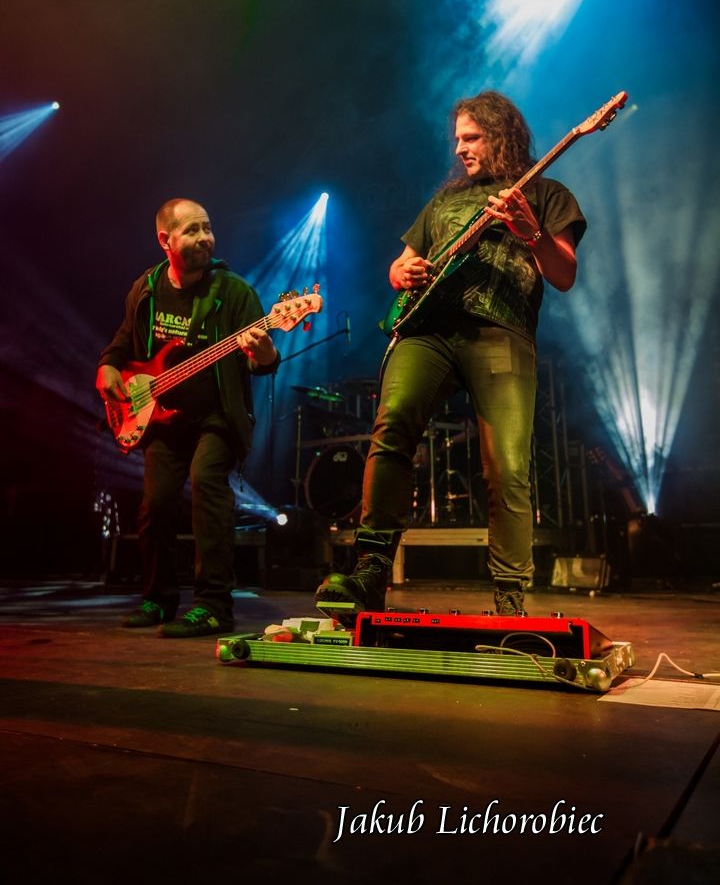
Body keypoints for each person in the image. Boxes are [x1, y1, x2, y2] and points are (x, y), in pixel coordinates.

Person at [316, 90, 586, 621]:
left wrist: (530, 231)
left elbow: (564, 275)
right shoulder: (444, 201)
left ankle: (509, 597)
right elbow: (400, 265)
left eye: (472, 137)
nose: (460, 148)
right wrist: (401, 272)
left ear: (501, 135)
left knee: (506, 463)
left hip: (501, 332)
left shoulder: (546, 192)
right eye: (457, 139)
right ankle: (370, 572)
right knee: (392, 426)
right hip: (428, 331)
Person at [96, 198, 280, 637]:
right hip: (160, 416)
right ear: (165, 239)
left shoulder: (235, 293)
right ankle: (158, 600)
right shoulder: (146, 288)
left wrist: (265, 354)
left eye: (207, 228)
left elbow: (263, 364)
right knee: (156, 504)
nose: (204, 238)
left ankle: (214, 606)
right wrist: (107, 366)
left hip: (218, 416)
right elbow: (124, 340)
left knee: (207, 485)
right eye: (192, 230)